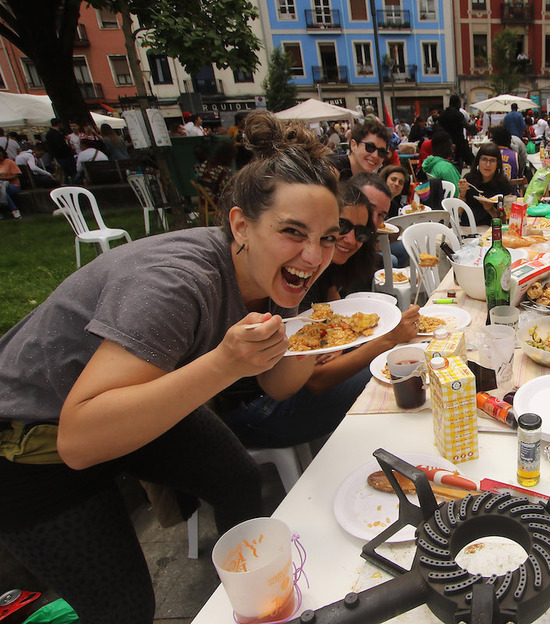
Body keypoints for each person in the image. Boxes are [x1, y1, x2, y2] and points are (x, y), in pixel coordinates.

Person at [0, 110, 342, 623]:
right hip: (31, 444)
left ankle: (247, 603)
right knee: (124, 608)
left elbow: (276, 383)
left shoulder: (280, 273)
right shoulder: (175, 284)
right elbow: (78, 439)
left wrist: (318, 339)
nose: (314, 256)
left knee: (237, 479)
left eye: (328, 237)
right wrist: (225, 364)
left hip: (135, 400)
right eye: (294, 231)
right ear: (241, 225)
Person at [219, 183, 420, 448]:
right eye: (342, 228)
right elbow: (316, 379)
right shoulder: (297, 275)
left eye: (362, 232)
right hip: (253, 410)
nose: (350, 239)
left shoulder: (325, 269)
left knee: (398, 363)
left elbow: (335, 328)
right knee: (391, 375)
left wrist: (340, 341)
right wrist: (387, 340)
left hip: (279, 388)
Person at [457, 143, 514, 226]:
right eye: (484, 159)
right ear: (478, 161)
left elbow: (504, 221)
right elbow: (458, 212)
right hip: (467, 227)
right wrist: (462, 194)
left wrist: (490, 209)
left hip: (491, 229)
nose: (487, 164)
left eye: (492, 160)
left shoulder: (503, 184)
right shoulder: (469, 179)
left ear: (497, 164)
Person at [437, 94, 475, 167]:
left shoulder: (442, 115)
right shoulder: (458, 114)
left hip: (446, 143)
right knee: (472, 161)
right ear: (457, 103)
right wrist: (474, 124)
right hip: (459, 142)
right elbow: (468, 127)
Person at [45, 118, 76, 182]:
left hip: (58, 156)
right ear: (59, 124)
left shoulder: (50, 133)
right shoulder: (57, 134)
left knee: (66, 171)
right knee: (70, 170)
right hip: (64, 155)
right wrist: (70, 147)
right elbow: (60, 145)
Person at [0, 150, 22, 219]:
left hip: (13, 185)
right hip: (1, 186)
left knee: (2, 190)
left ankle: (15, 211)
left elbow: (15, 176)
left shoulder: (9, 162)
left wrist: (3, 179)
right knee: (3, 191)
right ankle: (14, 211)